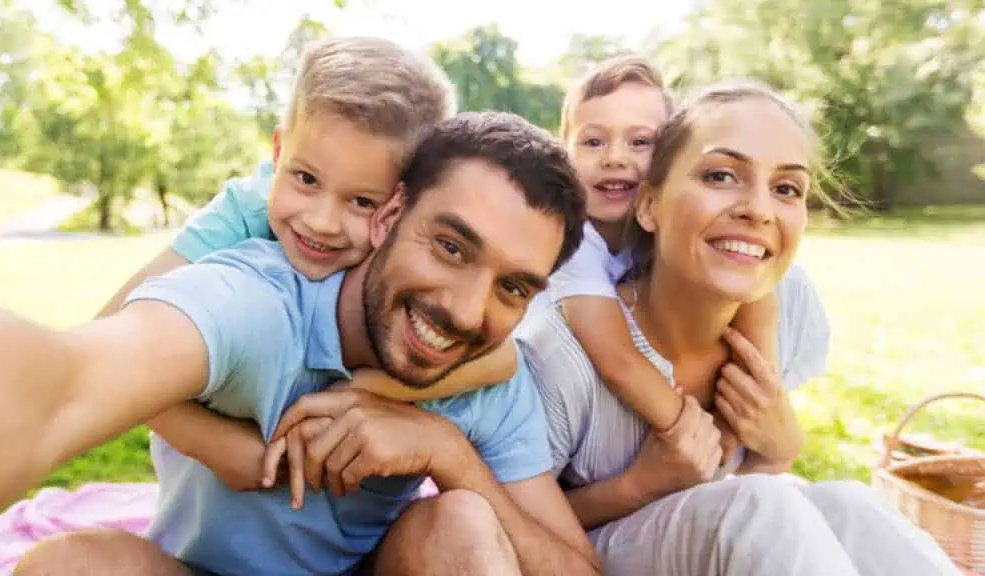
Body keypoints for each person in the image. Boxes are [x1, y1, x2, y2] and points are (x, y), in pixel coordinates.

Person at [0, 111, 601, 575]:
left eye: (513, 287)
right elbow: (67, 381)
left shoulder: (490, 378)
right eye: (451, 246)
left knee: (461, 523)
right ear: (387, 215)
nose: (466, 312)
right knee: (71, 567)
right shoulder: (261, 302)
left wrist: (448, 455)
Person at [518, 81, 961, 575]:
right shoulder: (563, 351)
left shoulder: (787, 302)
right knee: (759, 507)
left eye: (786, 188)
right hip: (586, 556)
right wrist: (642, 484)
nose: (759, 209)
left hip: (723, 536)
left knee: (847, 505)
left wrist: (779, 449)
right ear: (648, 206)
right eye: (722, 175)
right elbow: (508, 521)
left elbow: (754, 481)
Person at [92, 37, 525, 501]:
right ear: (279, 151)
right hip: (211, 492)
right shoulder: (246, 210)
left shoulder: (405, 250)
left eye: (362, 202)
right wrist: (212, 443)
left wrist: (367, 393)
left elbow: (502, 359)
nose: (321, 222)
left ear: (404, 204)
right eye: (305, 179)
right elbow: (105, 344)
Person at [540, 56, 779, 476]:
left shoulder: (668, 224)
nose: (614, 158)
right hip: (559, 405)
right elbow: (616, 357)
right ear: (564, 154)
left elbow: (756, 294)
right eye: (592, 142)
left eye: (639, 142)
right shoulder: (572, 240)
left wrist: (744, 414)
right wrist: (691, 430)